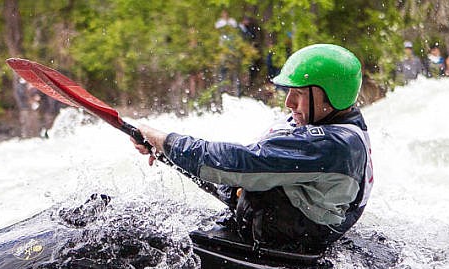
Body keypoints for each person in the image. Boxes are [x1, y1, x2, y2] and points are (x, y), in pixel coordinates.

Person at [131, 44, 373, 254]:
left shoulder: (333, 145)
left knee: (250, 187)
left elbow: (244, 164)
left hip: (301, 239)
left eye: (298, 93)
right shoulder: (323, 122)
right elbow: (236, 175)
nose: (289, 103)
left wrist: (167, 141)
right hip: (294, 216)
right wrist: (167, 153)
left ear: (332, 96)